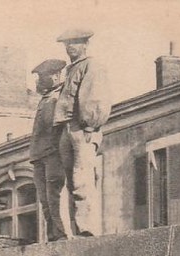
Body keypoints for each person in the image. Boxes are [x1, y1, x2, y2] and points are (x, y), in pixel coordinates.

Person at [53, 30, 111, 237]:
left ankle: (87, 228)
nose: (70, 47)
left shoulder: (91, 65)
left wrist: (89, 125)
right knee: (72, 181)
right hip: (68, 127)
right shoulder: (71, 69)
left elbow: (95, 96)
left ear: (86, 44)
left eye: (75, 43)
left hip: (82, 127)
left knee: (82, 179)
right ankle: (78, 229)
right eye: (67, 43)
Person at [30, 60, 68, 242]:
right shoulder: (46, 98)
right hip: (39, 155)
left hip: (53, 154)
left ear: (55, 76)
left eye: (42, 77)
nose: (39, 81)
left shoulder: (60, 96)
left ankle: (60, 235)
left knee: (54, 196)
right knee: (44, 200)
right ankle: (53, 235)